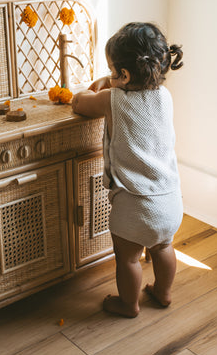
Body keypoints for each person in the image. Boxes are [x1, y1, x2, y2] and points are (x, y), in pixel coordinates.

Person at [72, 22, 183, 317]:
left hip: (135, 206)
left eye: (112, 71)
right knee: (163, 248)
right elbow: (132, 94)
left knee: (129, 259)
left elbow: (80, 103)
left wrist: (96, 87)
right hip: (170, 201)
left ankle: (128, 305)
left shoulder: (113, 99)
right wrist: (112, 81)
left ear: (124, 75)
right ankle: (163, 292)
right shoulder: (165, 97)